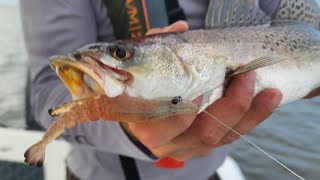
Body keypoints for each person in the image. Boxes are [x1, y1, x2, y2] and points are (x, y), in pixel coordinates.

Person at [20, 0, 319, 180]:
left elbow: (296, 23)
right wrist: (129, 130)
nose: (120, 59)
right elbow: (46, 94)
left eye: (122, 54)